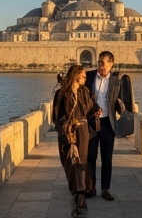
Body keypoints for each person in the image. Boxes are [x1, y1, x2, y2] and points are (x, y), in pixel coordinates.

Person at [53, 64, 97, 217]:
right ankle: (81, 189)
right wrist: (67, 133)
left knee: (80, 162)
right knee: (70, 163)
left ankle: (80, 198)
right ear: (75, 76)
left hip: (82, 132)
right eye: (83, 76)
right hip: (67, 133)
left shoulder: (85, 92)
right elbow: (56, 118)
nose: (86, 78)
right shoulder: (61, 94)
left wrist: (97, 111)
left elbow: (92, 108)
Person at [85, 52, 126, 202]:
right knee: (90, 157)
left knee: (107, 158)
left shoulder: (117, 80)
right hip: (92, 123)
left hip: (108, 124)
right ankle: (91, 187)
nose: (100, 65)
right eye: (99, 62)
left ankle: (105, 189)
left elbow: (123, 98)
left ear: (111, 64)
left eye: (103, 63)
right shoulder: (88, 76)